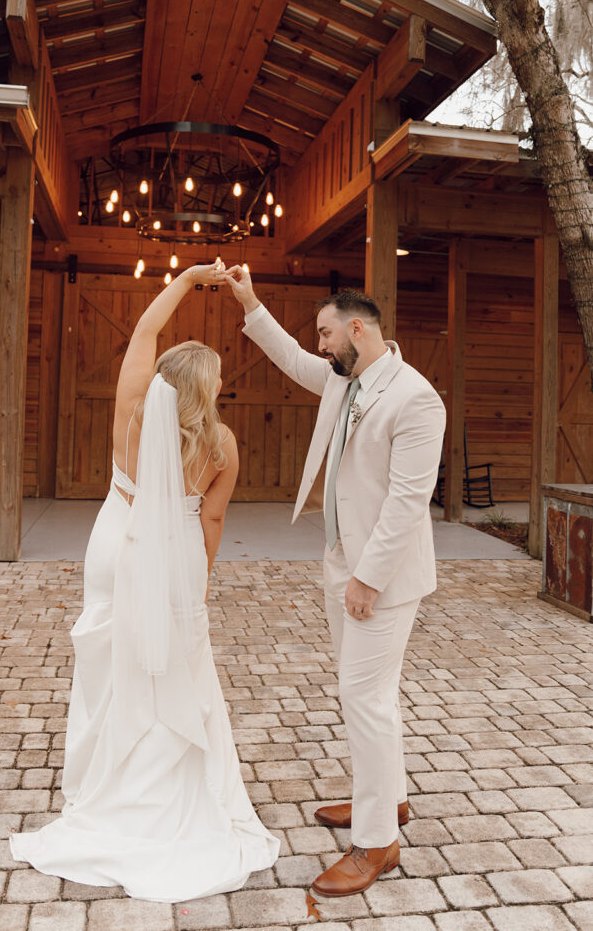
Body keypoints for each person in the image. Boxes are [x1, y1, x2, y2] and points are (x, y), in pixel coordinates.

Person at [10, 262, 279, 901]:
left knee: (109, 660)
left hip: (117, 542)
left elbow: (144, 327)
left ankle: (106, 780)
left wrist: (187, 280)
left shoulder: (131, 411)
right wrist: (199, 580)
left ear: (163, 383)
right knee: (178, 664)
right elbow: (210, 517)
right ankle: (170, 784)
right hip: (178, 552)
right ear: (208, 392)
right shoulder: (223, 445)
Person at [225, 268, 446, 898]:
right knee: (369, 696)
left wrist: (368, 581)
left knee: (363, 698)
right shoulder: (343, 379)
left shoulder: (415, 397)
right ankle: (389, 800)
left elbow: (408, 502)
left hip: (382, 577)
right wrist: (248, 301)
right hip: (338, 562)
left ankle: (377, 841)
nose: (318, 345)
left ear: (357, 328)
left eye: (325, 333)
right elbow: (293, 360)